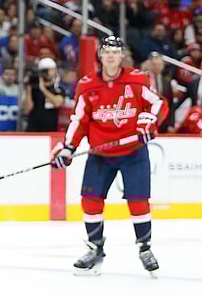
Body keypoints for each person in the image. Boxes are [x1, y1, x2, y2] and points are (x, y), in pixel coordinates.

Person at [50, 36, 165, 276]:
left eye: (115, 51)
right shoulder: (87, 85)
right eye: (106, 51)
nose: (111, 55)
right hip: (100, 153)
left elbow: (158, 104)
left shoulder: (137, 79)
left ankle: (145, 248)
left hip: (133, 152)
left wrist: (148, 123)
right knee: (90, 201)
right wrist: (68, 147)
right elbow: (79, 121)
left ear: (122, 55)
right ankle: (95, 248)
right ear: (100, 56)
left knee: (138, 201)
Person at [23, 57, 64, 132]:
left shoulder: (58, 88)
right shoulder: (34, 87)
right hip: (33, 129)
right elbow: (27, 109)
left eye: (51, 70)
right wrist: (28, 89)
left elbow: (57, 103)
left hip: (50, 129)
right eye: (46, 70)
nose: (49, 73)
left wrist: (43, 89)